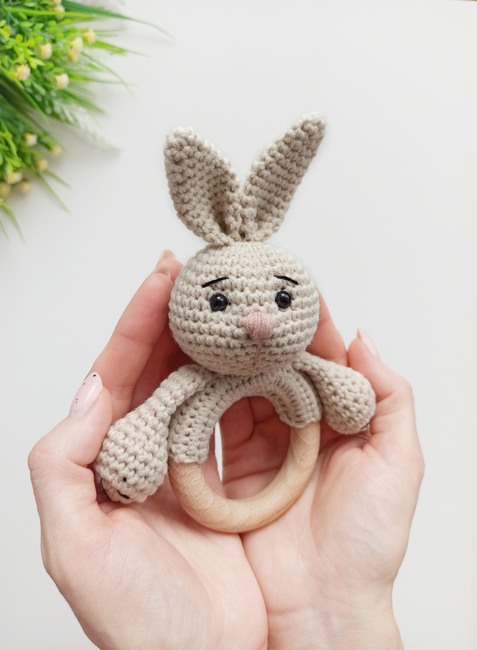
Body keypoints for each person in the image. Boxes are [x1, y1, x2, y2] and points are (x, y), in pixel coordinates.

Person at [29, 250, 424, 650]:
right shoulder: (191, 382)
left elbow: (347, 398)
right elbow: (161, 407)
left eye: (282, 299)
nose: (259, 322)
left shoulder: (297, 375)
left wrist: (343, 605)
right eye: (219, 301)